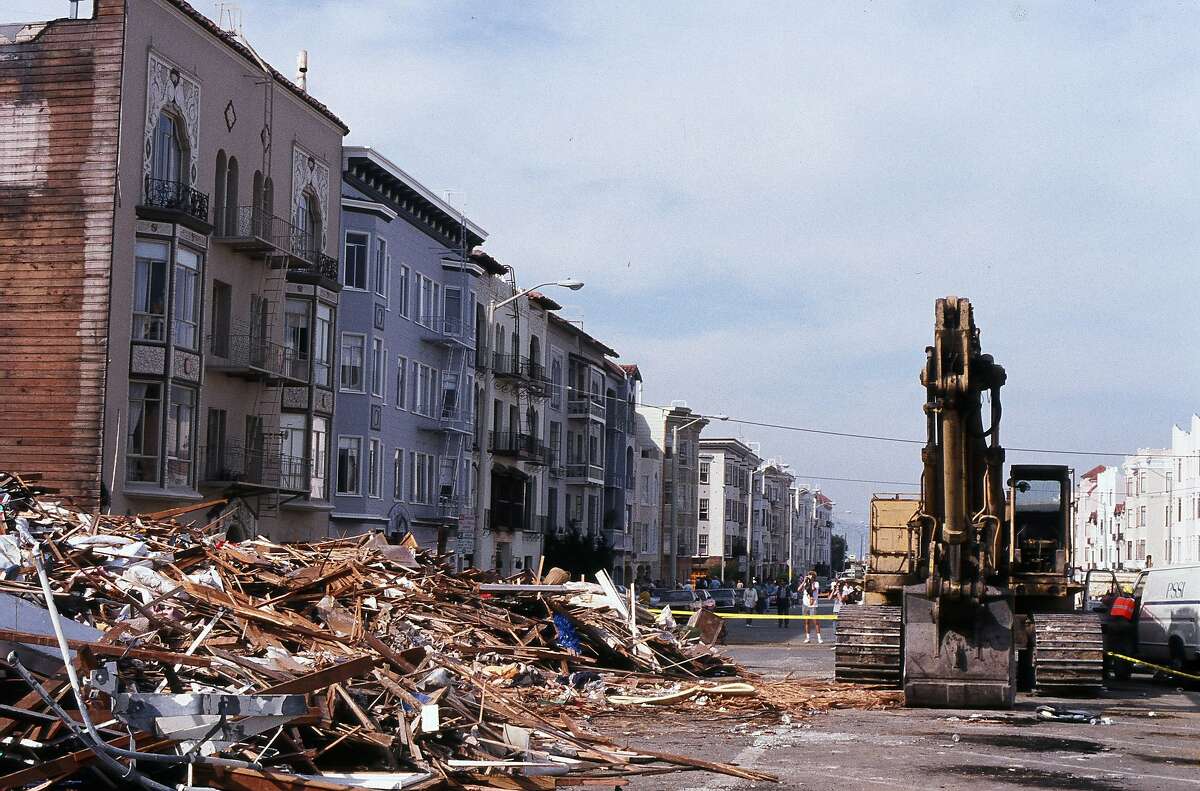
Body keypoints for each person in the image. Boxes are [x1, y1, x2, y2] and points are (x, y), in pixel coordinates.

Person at [801, 570, 822, 643]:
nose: (810, 577)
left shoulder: (816, 583)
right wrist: (804, 581)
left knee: (815, 622)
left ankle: (819, 637)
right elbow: (799, 589)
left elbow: (813, 589)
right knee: (806, 622)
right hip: (805, 604)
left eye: (811, 576)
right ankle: (807, 637)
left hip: (813, 604)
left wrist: (812, 581)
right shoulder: (806, 584)